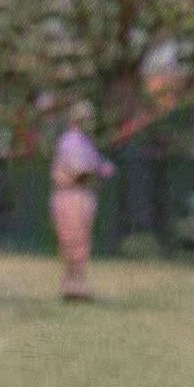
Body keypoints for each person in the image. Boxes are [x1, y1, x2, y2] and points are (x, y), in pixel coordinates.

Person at [49, 101, 115, 300]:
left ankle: (76, 286)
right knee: (72, 240)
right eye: (86, 118)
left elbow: (103, 168)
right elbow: (80, 171)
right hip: (70, 193)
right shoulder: (71, 140)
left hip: (82, 194)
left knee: (80, 242)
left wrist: (102, 168)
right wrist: (97, 170)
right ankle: (72, 286)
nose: (89, 122)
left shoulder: (86, 142)